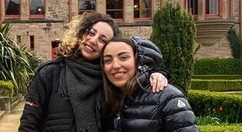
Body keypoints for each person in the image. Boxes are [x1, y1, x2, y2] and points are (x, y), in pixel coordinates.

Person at [18, 12, 168, 132]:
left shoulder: (109, 78)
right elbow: (29, 125)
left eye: (103, 39)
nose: (93, 40)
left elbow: (134, 79)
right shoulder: (50, 73)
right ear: (81, 33)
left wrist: (155, 73)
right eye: (91, 33)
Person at [101, 36, 199, 132]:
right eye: (108, 60)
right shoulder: (105, 100)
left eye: (123, 57)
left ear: (138, 61)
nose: (115, 65)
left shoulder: (167, 97)